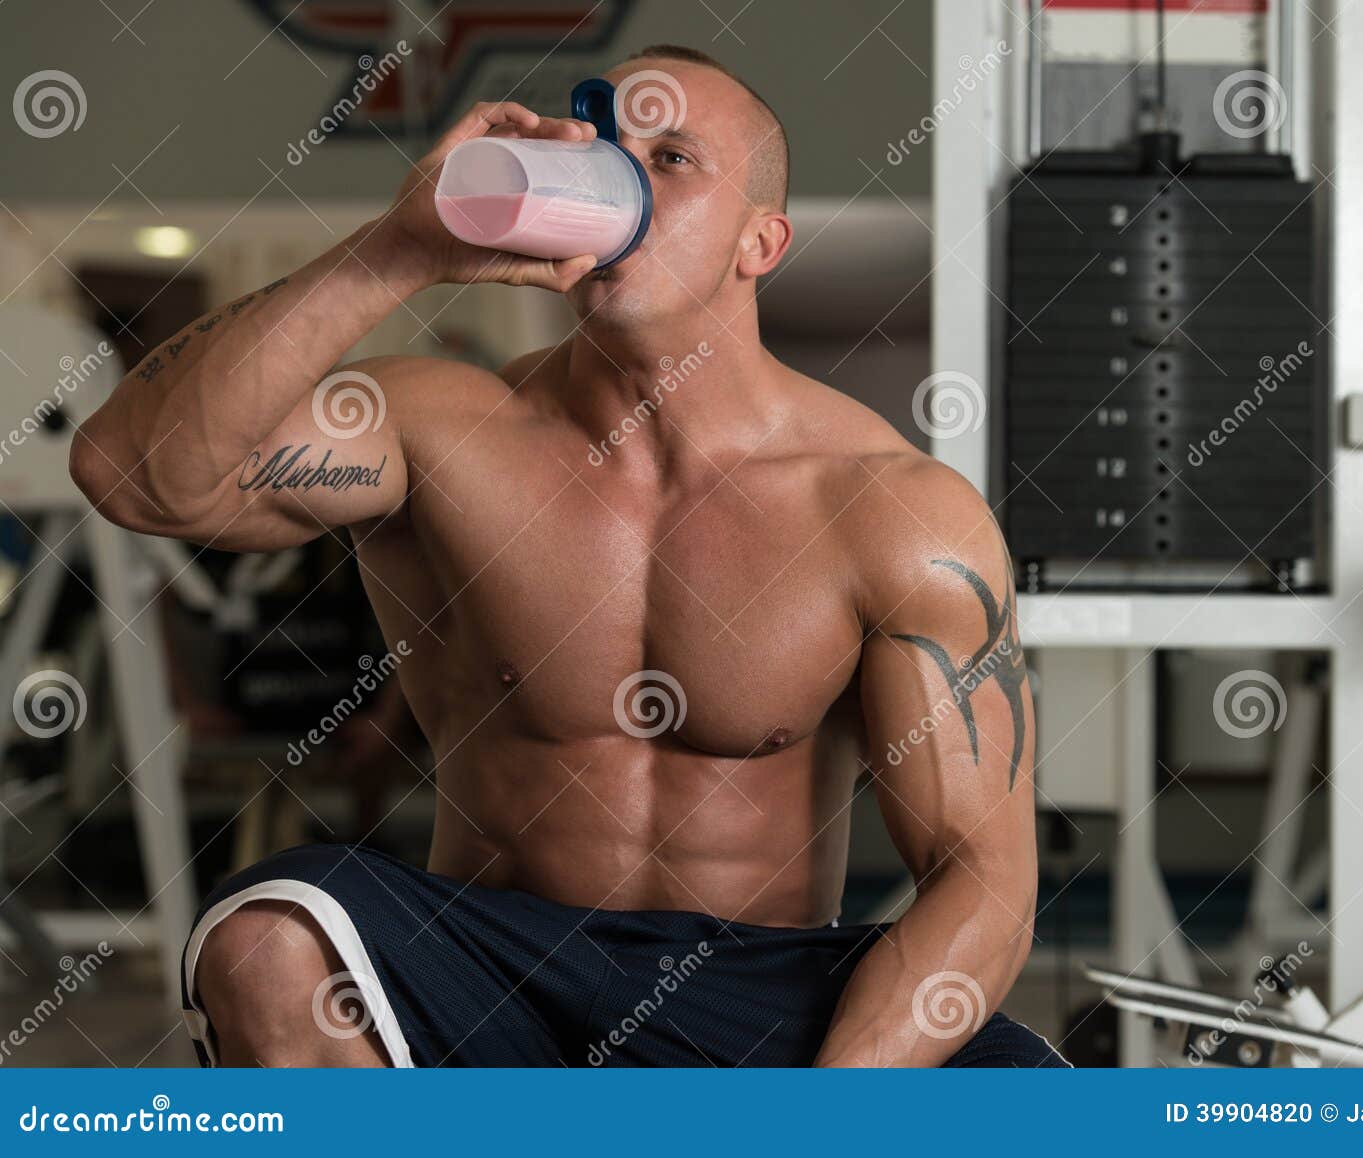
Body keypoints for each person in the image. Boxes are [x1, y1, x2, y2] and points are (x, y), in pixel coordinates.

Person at [70, 45, 1063, 1068]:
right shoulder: (437, 427)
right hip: (485, 969)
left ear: (759, 242)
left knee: (1020, 1089)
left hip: (748, 996)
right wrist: (398, 250)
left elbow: (980, 878)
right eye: (602, 142)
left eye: (670, 157)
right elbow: (138, 475)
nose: (618, 174)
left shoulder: (888, 506)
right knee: (267, 941)